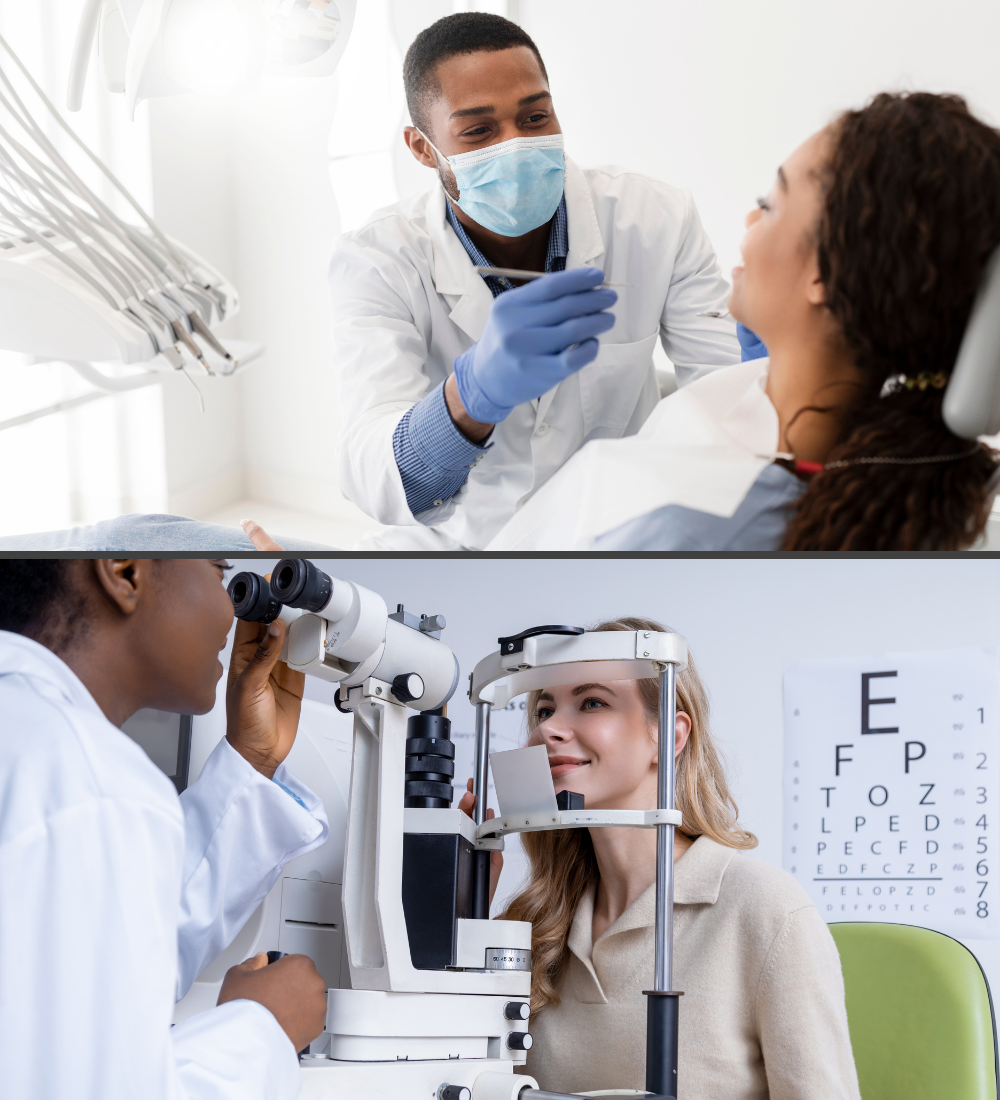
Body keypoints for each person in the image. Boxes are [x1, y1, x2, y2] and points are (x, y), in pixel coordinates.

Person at [486, 91, 1000, 552]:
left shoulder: (685, 532)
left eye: (768, 205)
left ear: (827, 272)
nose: (750, 221)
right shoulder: (902, 454)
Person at [331, 11, 742, 551]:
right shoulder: (378, 259)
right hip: (470, 540)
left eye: (535, 117)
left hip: (624, 528)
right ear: (422, 149)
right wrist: (468, 402)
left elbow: (731, 401)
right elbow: (370, 471)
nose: (516, 144)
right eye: (478, 130)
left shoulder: (656, 218)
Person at [462, 617, 860, 1099]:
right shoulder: (532, 922)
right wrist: (461, 912)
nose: (549, 728)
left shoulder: (764, 909)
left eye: (591, 702)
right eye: (543, 709)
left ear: (668, 735)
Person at [0, 558, 330, 1099]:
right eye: (220, 574)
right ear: (125, 571)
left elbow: (106, 954)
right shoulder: (91, 779)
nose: (231, 611)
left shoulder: (37, 745)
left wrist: (253, 758)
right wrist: (260, 1029)